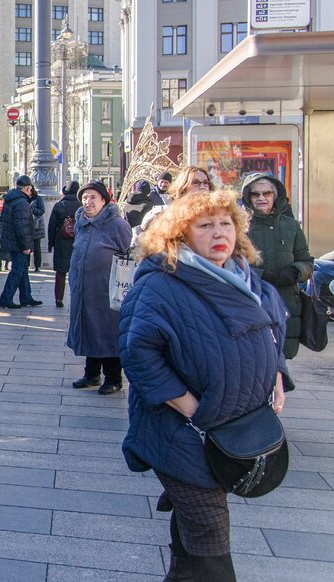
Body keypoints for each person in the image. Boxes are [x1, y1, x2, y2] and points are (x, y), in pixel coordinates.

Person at [120, 190, 291, 581]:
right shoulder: (163, 282)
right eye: (206, 225)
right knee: (211, 536)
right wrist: (191, 410)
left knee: (194, 532)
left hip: (234, 429)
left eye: (226, 223)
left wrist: (277, 373)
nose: (220, 233)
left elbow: (272, 328)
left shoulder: (243, 275)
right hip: (183, 433)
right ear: (180, 234)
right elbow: (139, 354)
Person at [68, 181, 133, 395]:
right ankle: (92, 373)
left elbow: (130, 255)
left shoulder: (116, 225)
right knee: (89, 328)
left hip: (107, 291)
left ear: (104, 201)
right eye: (85, 198)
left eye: (93, 197)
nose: (88, 202)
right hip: (84, 290)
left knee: (107, 331)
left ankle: (113, 378)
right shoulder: (81, 222)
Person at [242, 172, 314, 359]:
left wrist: (295, 271)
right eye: (255, 194)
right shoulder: (240, 226)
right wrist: (262, 275)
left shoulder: (291, 225)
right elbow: (232, 263)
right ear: (248, 197)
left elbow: (307, 261)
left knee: (282, 359)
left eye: (267, 193)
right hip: (254, 300)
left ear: (276, 196)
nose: (261, 198)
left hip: (287, 302)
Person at [0, 175, 40, 309]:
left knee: (22, 270)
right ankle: (6, 298)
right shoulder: (21, 202)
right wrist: (26, 245)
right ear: (28, 188)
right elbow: (21, 226)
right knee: (17, 270)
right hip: (18, 243)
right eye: (30, 188)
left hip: (12, 241)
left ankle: (26, 297)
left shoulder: (11, 199)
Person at [47, 181, 81, 308]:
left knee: (60, 272)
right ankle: (75, 298)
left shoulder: (59, 205)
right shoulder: (82, 205)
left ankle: (58, 299)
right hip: (78, 241)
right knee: (77, 272)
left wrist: (51, 244)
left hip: (61, 241)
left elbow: (51, 226)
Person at [29, 186, 47, 272]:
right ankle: (26, 265)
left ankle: (37, 266)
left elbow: (42, 210)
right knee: (26, 246)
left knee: (36, 247)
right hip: (26, 226)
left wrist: (32, 209)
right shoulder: (23, 198)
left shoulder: (37, 198)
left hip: (36, 226)